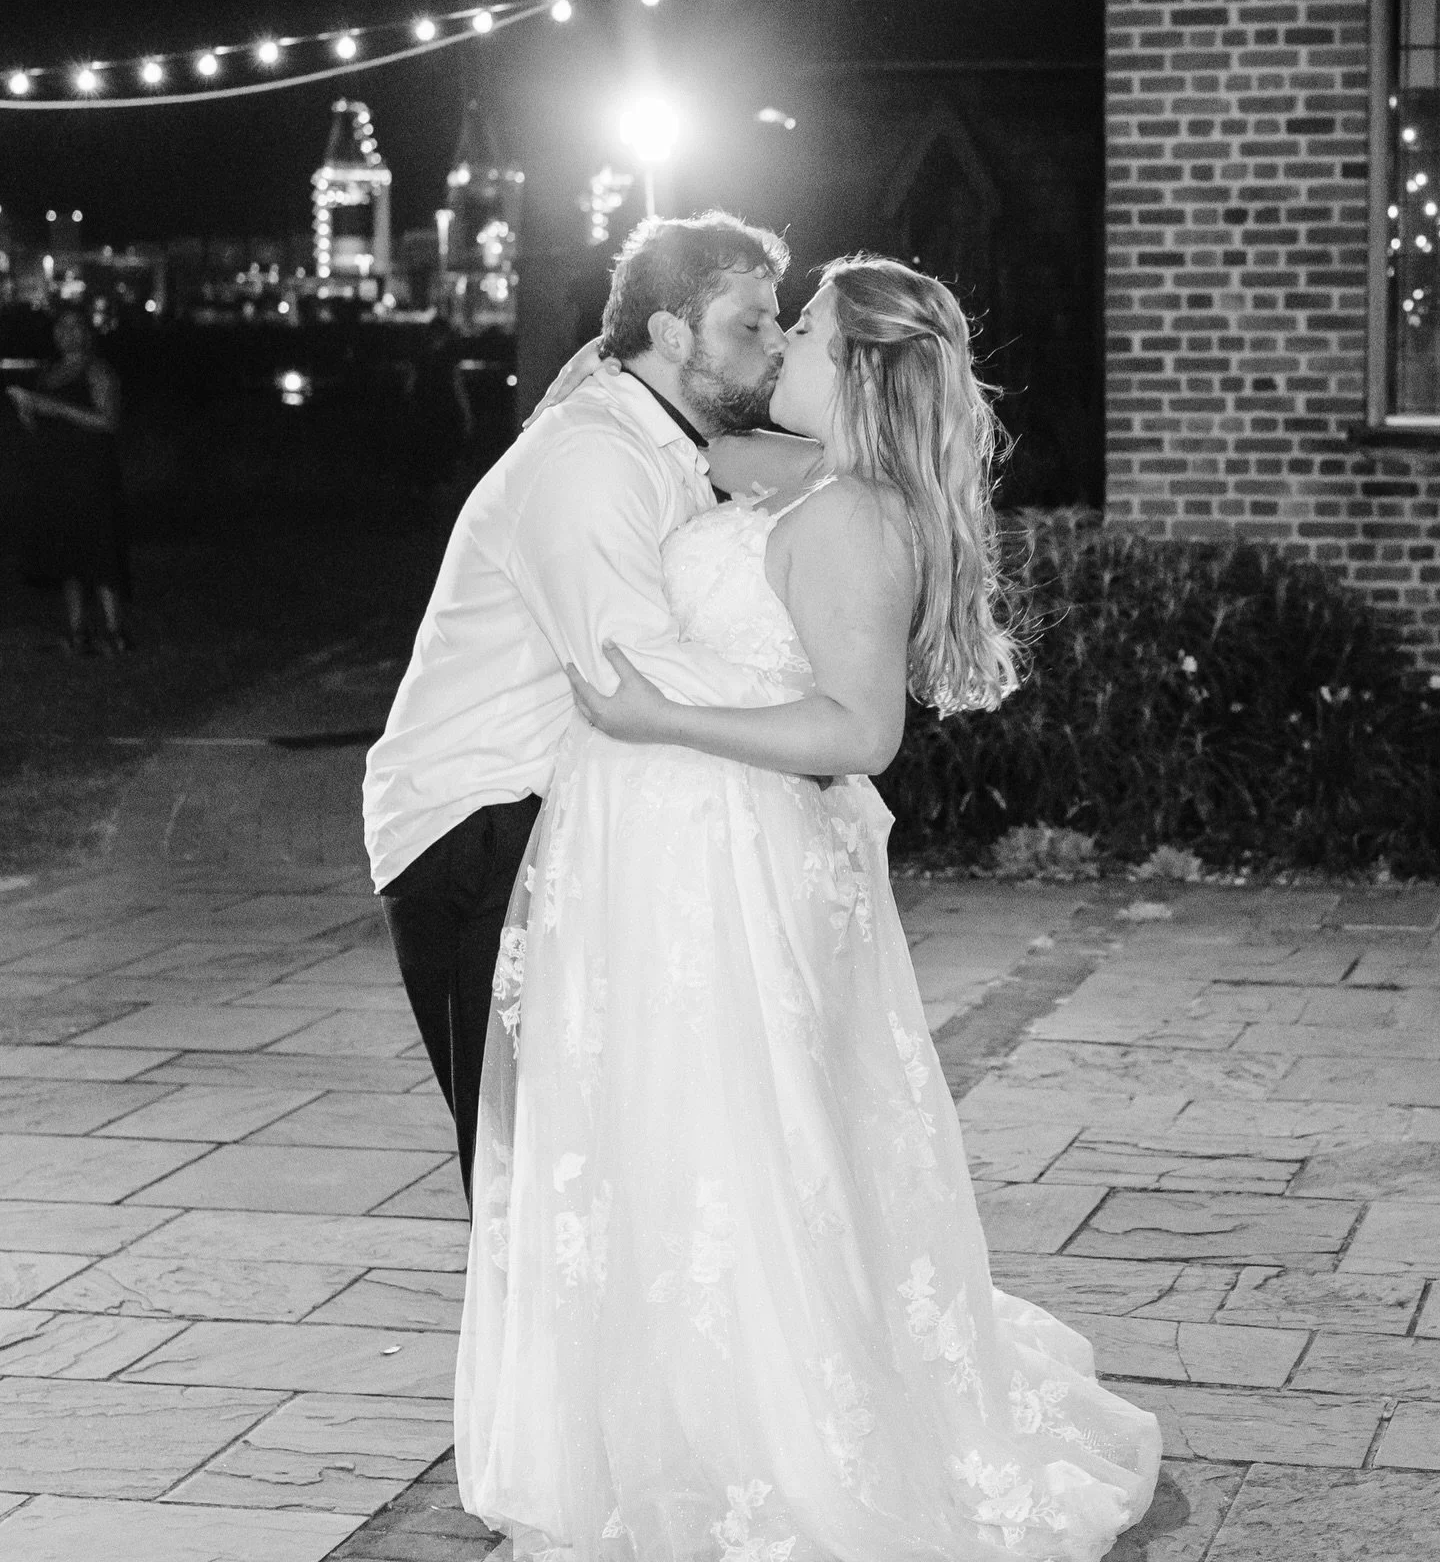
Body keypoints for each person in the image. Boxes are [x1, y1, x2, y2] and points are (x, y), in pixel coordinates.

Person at [454, 258, 1161, 1561]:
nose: (783, 341)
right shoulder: (816, 479)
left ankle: (763, 1450)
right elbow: (700, 443)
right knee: (686, 1140)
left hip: (725, 855)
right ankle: (681, 1430)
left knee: (733, 1135)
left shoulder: (855, 520)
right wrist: (600, 384)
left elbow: (861, 730)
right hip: (675, 852)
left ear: (857, 368)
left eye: (809, 327)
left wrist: (658, 716)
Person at [362, 212, 798, 1212]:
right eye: (751, 324)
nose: (776, 343)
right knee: (530, 1178)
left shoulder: (662, 439)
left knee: (597, 1164)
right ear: (672, 334)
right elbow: (626, 681)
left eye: (779, 323)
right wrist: (819, 719)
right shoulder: (595, 457)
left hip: (562, 818)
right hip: (483, 825)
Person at [7, 307, 131, 656]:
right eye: (61, 326)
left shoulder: (97, 370)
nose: (66, 332)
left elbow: (108, 422)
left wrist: (54, 408)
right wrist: (28, 409)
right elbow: (41, 425)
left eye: (75, 326)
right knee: (66, 551)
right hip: (58, 473)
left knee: (100, 548)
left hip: (92, 472)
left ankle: (114, 633)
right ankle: (77, 632)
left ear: (87, 333)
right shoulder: (49, 373)